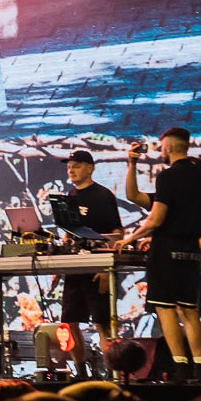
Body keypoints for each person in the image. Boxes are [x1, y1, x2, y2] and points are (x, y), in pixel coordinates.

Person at [122, 127, 201, 381]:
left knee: (166, 309)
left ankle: (180, 367)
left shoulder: (168, 177)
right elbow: (134, 196)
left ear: (168, 147)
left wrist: (130, 238)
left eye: (162, 147)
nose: (161, 151)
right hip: (191, 252)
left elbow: (156, 219)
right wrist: (132, 163)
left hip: (167, 251)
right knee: (190, 312)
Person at [57, 149, 124, 349]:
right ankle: (79, 367)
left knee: (102, 325)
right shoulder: (71, 195)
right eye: (69, 167)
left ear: (90, 168)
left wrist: (105, 268)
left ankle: (112, 366)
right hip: (74, 268)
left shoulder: (103, 195)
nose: (71, 171)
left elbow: (117, 232)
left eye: (76, 167)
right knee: (69, 323)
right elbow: (69, 232)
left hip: (96, 269)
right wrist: (58, 264)